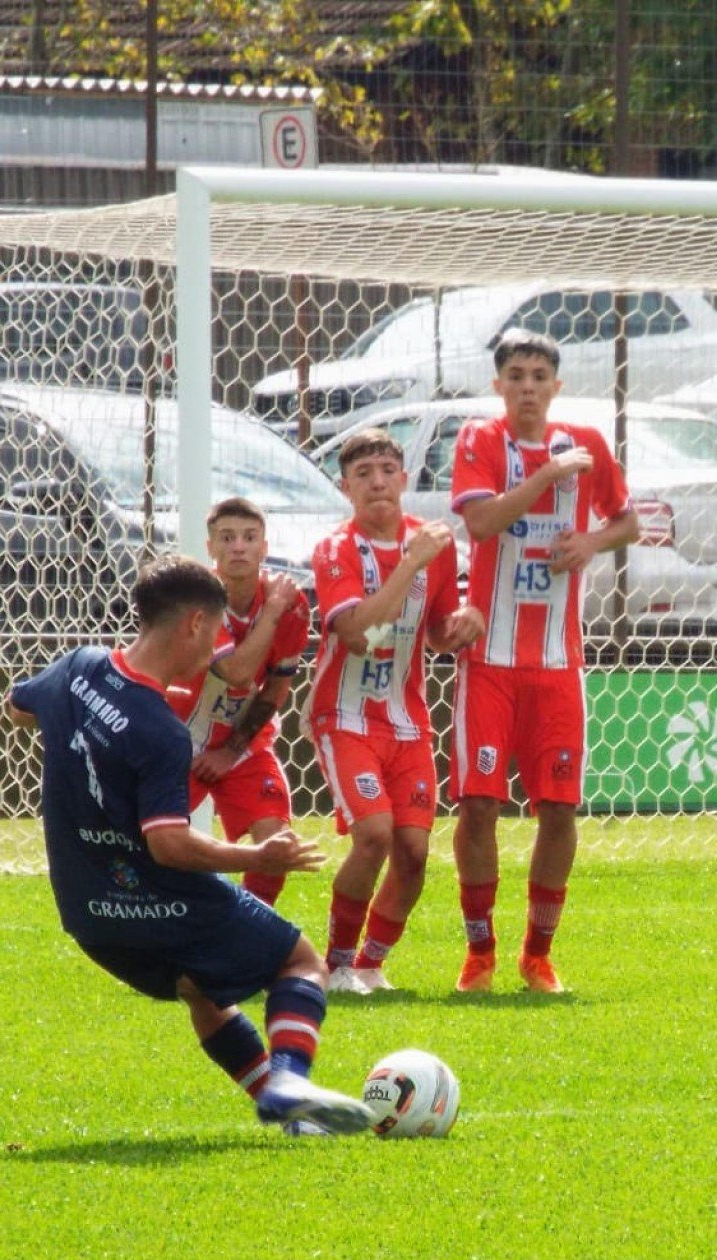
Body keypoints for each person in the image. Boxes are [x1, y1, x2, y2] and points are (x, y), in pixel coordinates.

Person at [6, 555, 372, 1136]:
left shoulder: (80, 667)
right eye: (220, 628)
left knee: (200, 987)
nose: (219, 646)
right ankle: (287, 1079)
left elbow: (19, 707)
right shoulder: (160, 730)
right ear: (196, 624)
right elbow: (170, 847)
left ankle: (291, 1119)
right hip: (159, 897)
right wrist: (257, 857)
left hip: (88, 914)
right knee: (300, 960)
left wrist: (75, 745)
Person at [448, 328, 639, 993]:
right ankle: (480, 953)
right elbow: (481, 524)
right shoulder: (479, 440)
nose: (527, 386)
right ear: (498, 386)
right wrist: (548, 476)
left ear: (556, 387)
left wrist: (591, 539)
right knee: (478, 806)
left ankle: (537, 954)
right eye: (516, 375)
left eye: (539, 376)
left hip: (558, 664)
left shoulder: (587, 444)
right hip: (490, 662)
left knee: (558, 810)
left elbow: (628, 522)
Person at [309, 428, 485, 995]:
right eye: (364, 474)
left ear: (405, 479)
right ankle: (335, 966)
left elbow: (433, 630)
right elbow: (358, 632)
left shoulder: (434, 543)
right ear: (346, 487)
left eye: (387, 469)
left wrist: (461, 625)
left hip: (407, 720)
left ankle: (369, 964)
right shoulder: (336, 549)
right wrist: (409, 565)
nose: (378, 482)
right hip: (346, 716)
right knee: (374, 836)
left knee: (413, 852)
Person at [169, 497, 315, 908]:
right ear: (211, 547)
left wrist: (232, 751)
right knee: (155, 845)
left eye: (250, 538)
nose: (239, 547)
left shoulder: (294, 607)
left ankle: (248, 933)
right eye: (227, 538)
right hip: (179, 740)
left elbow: (276, 687)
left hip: (243, 742)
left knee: (277, 846)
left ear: (264, 548)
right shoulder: (196, 600)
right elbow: (236, 672)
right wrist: (269, 614)